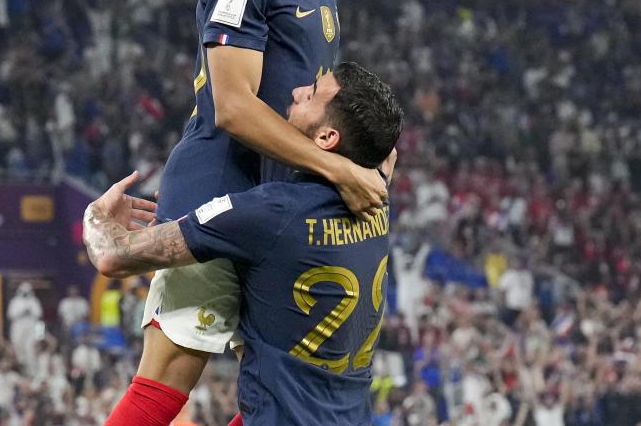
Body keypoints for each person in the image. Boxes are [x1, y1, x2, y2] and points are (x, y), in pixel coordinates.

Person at [103, 0, 388, 426]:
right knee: (165, 386)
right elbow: (233, 106)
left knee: (285, 393)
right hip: (219, 190)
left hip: (283, 207)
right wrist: (337, 168)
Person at [84, 63, 404, 425]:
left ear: (328, 138)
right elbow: (387, 152)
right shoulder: (377, 197)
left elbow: (111, 257)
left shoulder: (267, 213)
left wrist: (96, 216)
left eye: (312, 95)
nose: (297, 91)